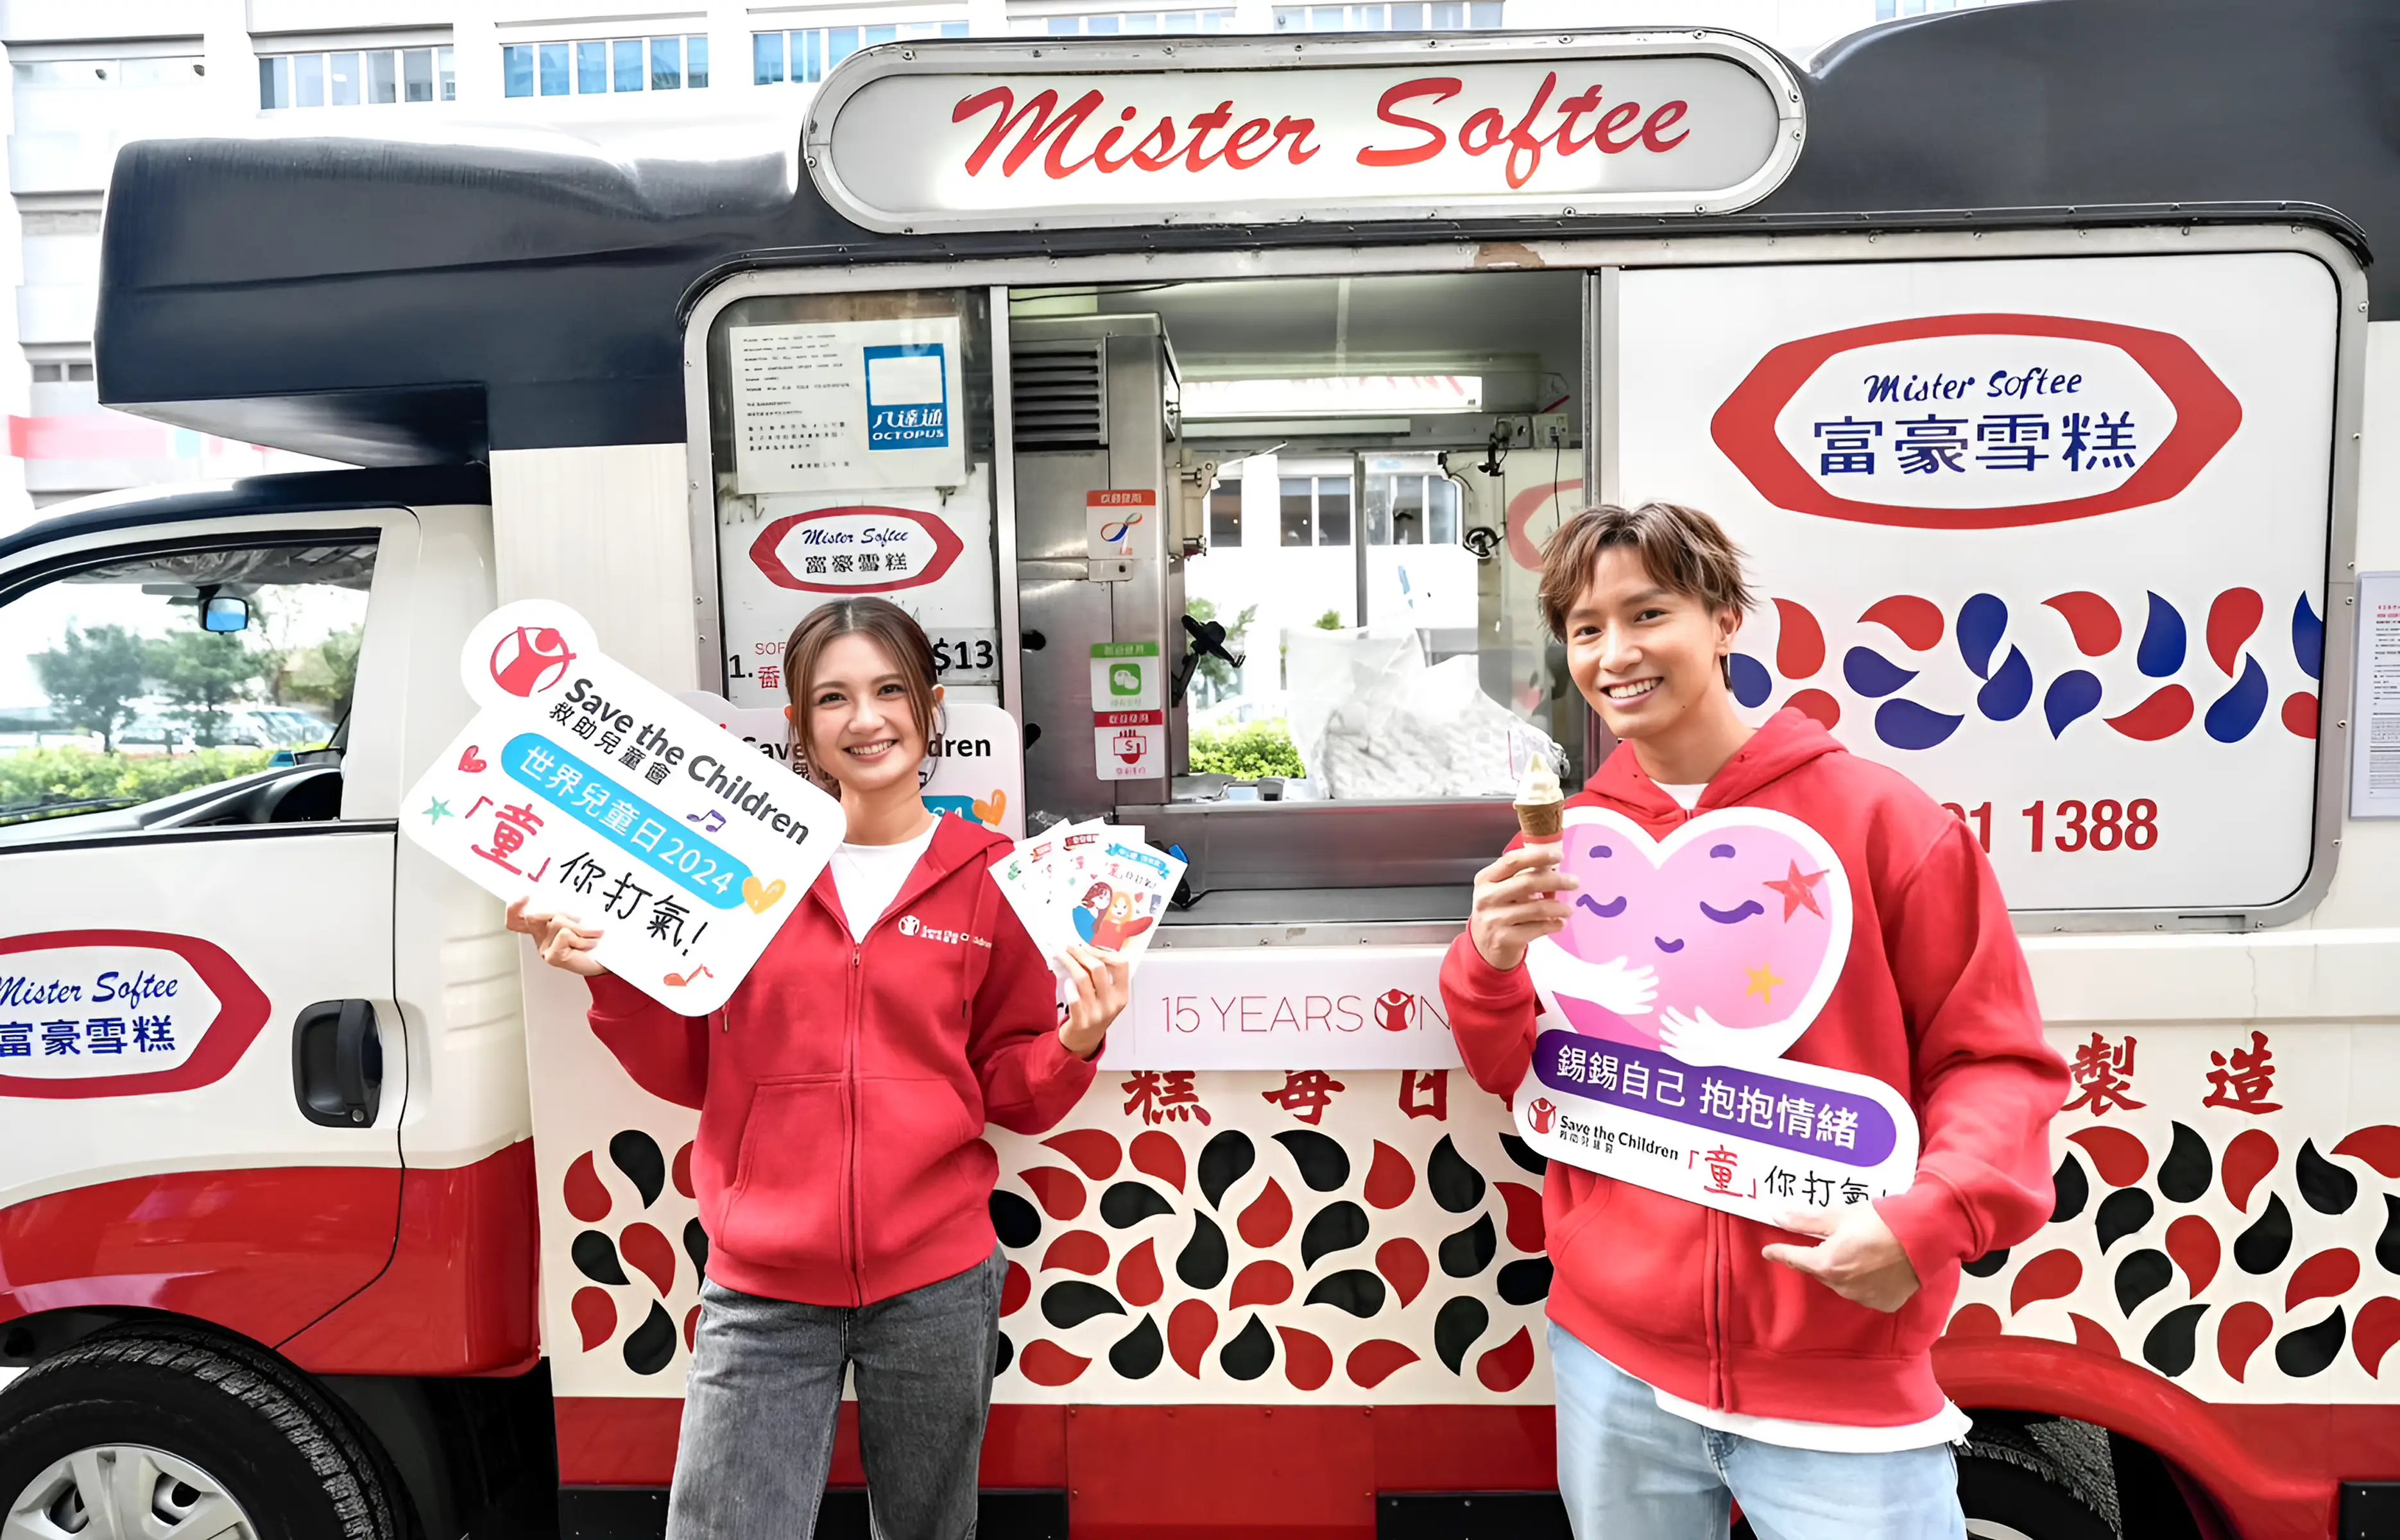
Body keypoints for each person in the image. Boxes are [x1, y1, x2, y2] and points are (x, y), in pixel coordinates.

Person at [1441, 503, 2068, 1540]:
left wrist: (1929, 1217)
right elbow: (1518, 1068)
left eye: (1649, 613)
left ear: (1724, 619)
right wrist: (1489, 962)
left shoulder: (1882, 819)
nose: (1616, 653)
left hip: (1840, 1364)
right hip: (1613, 1362)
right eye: (1586, 628)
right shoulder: (1575, 843)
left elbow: (1996, 1060)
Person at [511, 597, 1127, 1540]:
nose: (866, 719)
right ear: (799, 726)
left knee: (928, 1531)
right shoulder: (738, 868)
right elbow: (690, 1072)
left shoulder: (992, 875)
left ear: (929, 705)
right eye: (832, 699)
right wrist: (617, 981)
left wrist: (1074, 1042)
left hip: (938, 1283)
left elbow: (1007, 1085)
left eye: (888, 690)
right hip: (760, 1287)